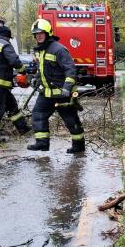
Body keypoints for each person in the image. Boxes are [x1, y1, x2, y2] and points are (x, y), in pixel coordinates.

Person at [26, 18, 85, 154]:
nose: (38, 36)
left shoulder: (59, 49)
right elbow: (41, 70)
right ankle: (42, 143)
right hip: (46, 94)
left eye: (41, 33)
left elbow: (70, 70)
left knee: (70, 120)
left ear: (48, 33)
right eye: (36, 34)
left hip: (61, 94)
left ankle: (78, 146)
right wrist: (35, 79)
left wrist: (67, 88)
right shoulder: (40, 50)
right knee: (38, 115)